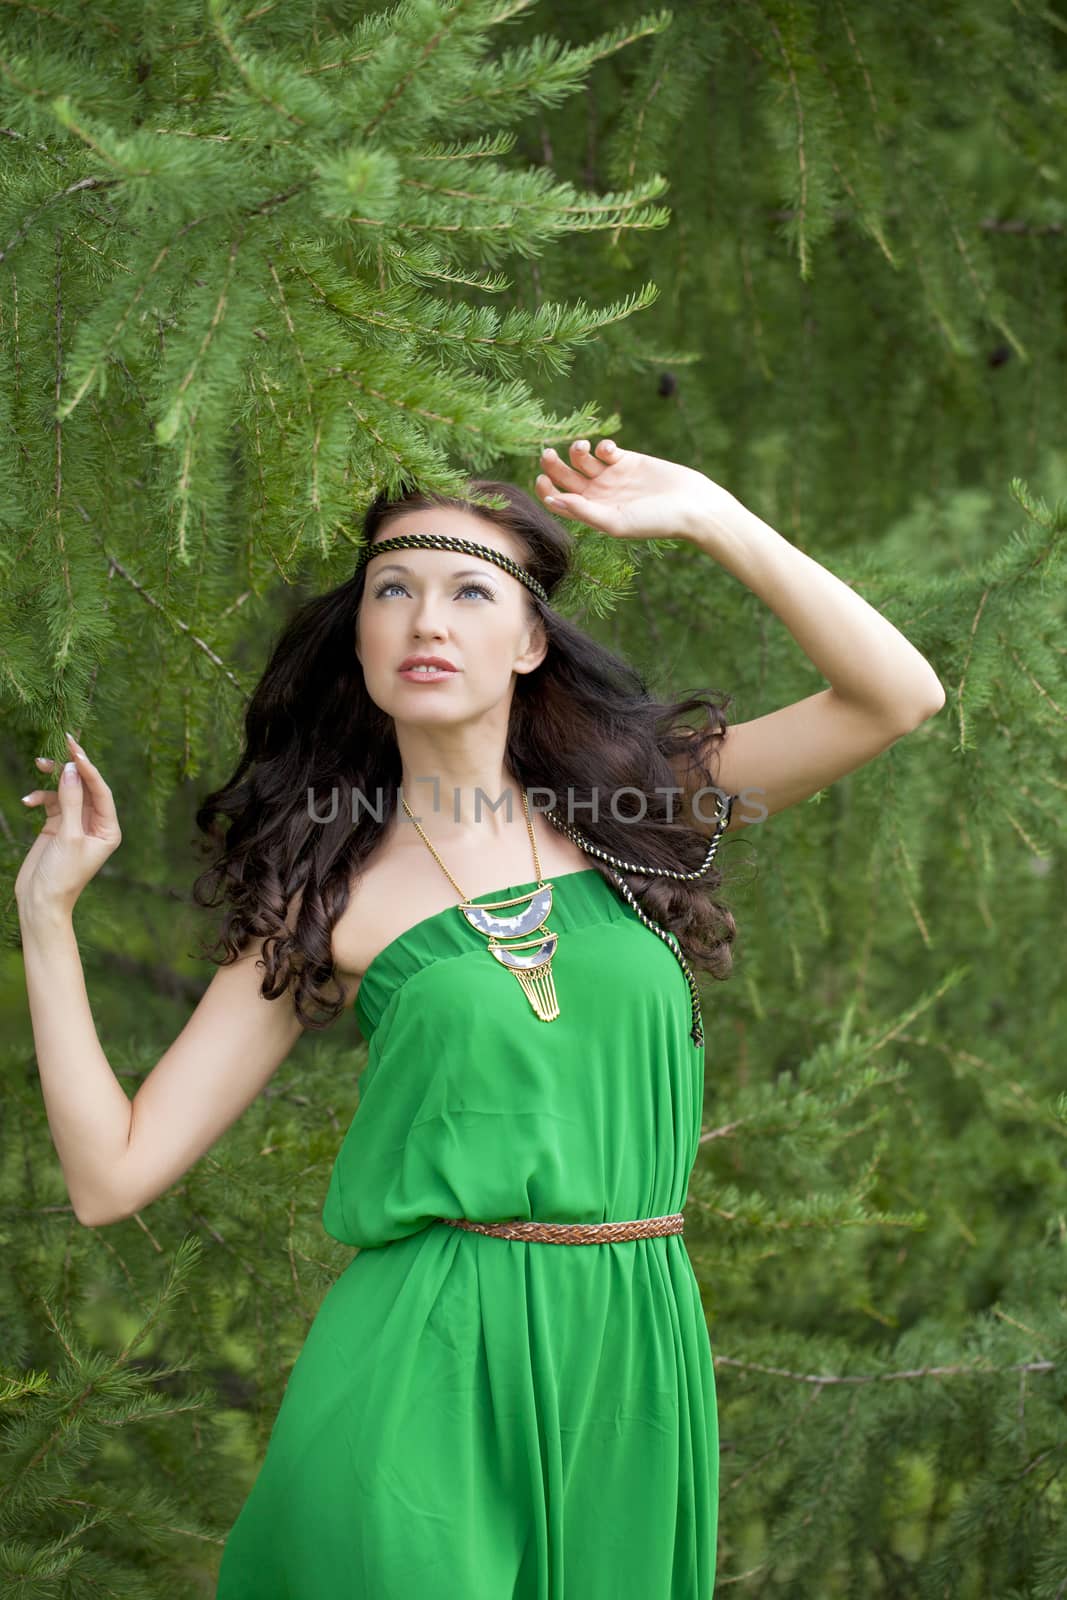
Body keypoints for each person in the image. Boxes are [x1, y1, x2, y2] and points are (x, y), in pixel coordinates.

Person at [16, 438, 946, 1597]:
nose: (423, 622)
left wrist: (712, 517)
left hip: (630, 1352)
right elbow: (113, 1174)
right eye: (391, 591)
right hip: (423, 1359)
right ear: (357, 638)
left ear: (528, 641)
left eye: (468, 591)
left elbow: (895, 696)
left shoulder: (635, 806)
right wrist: (47, 917)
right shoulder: (330, 893)